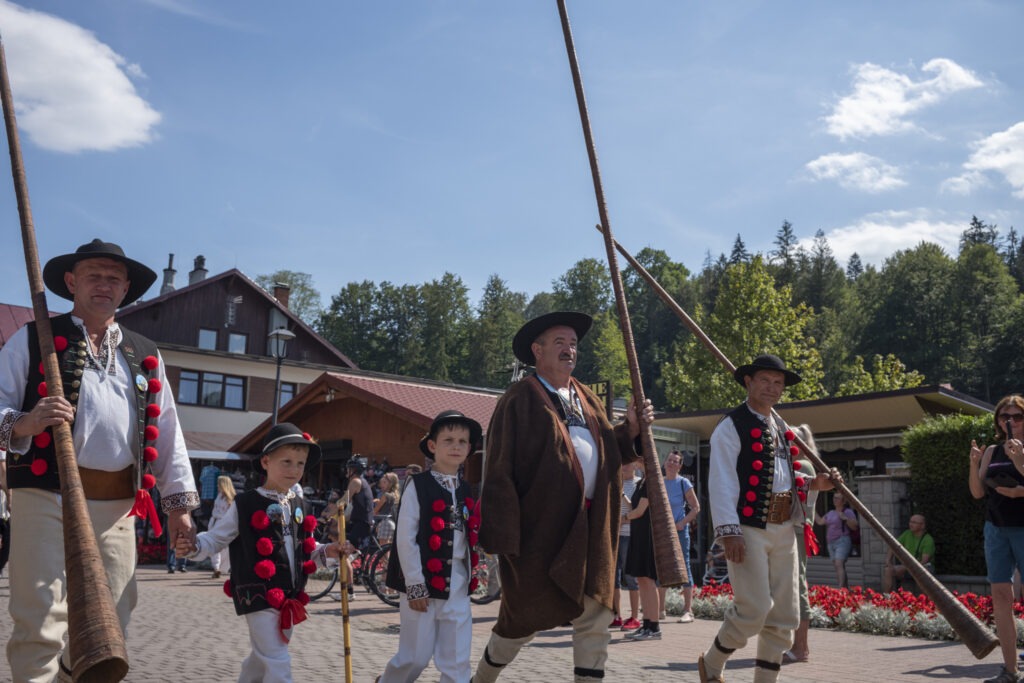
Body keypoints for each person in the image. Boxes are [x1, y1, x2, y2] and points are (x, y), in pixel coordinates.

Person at [0, 239, 198, 682]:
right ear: (71, 282)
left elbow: (168, 432)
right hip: (46, 494)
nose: (104, 284)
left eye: (113, 277)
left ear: (126, 288)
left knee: (109, 626)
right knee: (40, 616)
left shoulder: (144, 352)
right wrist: (27, 422)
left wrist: (179, 507)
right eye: (93, 275)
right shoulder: (33, 337)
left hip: (117, 506)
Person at [473, 311, 653, 683]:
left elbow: (610, 448)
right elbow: (498, 470)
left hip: (592, 529)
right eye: (560, 342)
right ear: (537, 351)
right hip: (539, 532)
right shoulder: (519, 398)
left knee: (597, 614)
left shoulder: (586, 397)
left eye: (573, 344)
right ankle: (482, 679)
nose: (569, 349)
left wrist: (632, 428)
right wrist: (504, 540)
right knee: (523, 619)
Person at [698, 354, 838, 683]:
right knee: (754, 608)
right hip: (748, 529)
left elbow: (784, 479)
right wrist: (728, 532)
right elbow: (721, 481)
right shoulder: (731, 425)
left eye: (778, 383)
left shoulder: (781, 427)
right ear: (748, 382)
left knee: (784, 616)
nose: (772, 388)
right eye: (765, 380)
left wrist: (815, 484)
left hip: (785, 529)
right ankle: (712, 662)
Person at [177, 423, 339, 683]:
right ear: (266, 461)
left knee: (262, 657)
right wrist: (194, 545)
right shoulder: (246, 503)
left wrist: (328, 550)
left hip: (290, 594)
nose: (294, 469)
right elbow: (217, 536)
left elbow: (307, 549)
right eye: (286, 461)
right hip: (257, 593)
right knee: (277, 658)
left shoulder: (301, 505)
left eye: (300, 463)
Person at [377, 410, 482, 682]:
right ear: (433, 446)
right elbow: (405, 537)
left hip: (458, 582)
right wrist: (414, 583)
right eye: (448, 440)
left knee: (457, 659)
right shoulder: (418, 485)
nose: (456, 446)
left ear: (470, 448)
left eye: (462, 441)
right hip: (421, 582)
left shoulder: (467, 489)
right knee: (415, 657)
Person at [969, 395, 1024, 683]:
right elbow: (978, 493)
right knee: (1001, 597)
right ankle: (1011, 670)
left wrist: (1019, 461)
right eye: (1005, 417)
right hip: (996, 528)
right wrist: (974, 463)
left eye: (1017, 416)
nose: (1011, 422)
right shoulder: (992, 450)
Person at [784, 424, 820, 664]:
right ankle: (796, 646)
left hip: (796, 530)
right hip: (795, 530)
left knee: (798, 585)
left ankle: (801, 648)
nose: (788, 440)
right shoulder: (800, 464)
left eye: (793, 437)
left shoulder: (803, 465)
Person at [660, 449, 700, 623]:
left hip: (679, 531)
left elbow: (696, 507)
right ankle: (660, 610)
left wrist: (682, 523)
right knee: (661, 567)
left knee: (684, 567)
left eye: (676, 461)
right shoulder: (659, 483)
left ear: (680, 466)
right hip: (662, 531)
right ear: (664, 463)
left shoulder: (683, 483)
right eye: (670, 460)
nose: (672, 463)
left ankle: (688, 610)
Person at [622, 467, 661, 640]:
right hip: (637, 534)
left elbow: (640, 511)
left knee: (648, 580)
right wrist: (622, 494)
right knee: (641, 580)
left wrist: (622, 520)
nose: (636, 462)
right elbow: (634, 506)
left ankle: (654, 627)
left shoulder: (651, 481)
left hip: (647, 536)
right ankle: (646, 624)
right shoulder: (642, 482)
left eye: (639, 458)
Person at [611, 461, 641, 632]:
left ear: (636, 466)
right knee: (614, 577)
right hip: (615, 535)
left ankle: (635, 617)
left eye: (628, 464)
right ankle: (616, 615)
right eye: (621, 463)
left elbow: (636, 510)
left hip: (630, 535)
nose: (623, 467)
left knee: (631, 577)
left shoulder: (638, 484)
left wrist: (622, 494)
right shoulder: (615, 482)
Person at [814, 491, 858, 588]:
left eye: (837, 498)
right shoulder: (831, 513)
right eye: (834, 498)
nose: (835, 500)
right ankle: (845, 589)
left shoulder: (847, 512)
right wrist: (812, 510)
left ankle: (840, 588)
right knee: (838, 566)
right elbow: (820, 522)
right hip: (831, 543)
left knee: (839, 564)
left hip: (842, 541)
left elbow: (855, 526)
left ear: (843, 501)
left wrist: (845, 519)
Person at [882, 514, 935, 592]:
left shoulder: (928, 539)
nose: (911, 524)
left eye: (914, 522)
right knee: (888, 570)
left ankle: (925, 600)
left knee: (922, 573)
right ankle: (887, 598)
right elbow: (893, 545)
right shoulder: (907, 533)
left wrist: (905, 567)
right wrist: (888, 561)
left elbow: (924, 561)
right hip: (908, 566)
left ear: (922, 525)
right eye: (910, 522)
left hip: (922, 566)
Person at [209, 475, 238, 579]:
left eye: (219, 483)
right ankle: (216, 568)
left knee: (225, 549)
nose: (217, 486)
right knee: (215, 546)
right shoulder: (219, 496)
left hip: (224, 523)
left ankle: (220, 568)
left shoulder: (231, 499)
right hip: (215, 522)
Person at [374, 471, 401, 543]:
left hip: (385, 523)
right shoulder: (395, 495)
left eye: (384, 482)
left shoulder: (385, 495)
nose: (381, 485)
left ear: (391, 484)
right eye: (381, 482)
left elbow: (375, 512)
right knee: (388, 550)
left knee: (383, 552)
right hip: (393, 524)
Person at [199, 461, 221, 526]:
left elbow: (201, 480)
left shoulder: (204, 469)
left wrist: (200, 491)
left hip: (205, 493)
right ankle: (209, 522)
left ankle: (206, 521)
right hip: (214, 494)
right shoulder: (217, 470)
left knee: (205, 509)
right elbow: (218, 481)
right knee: (212, 510)